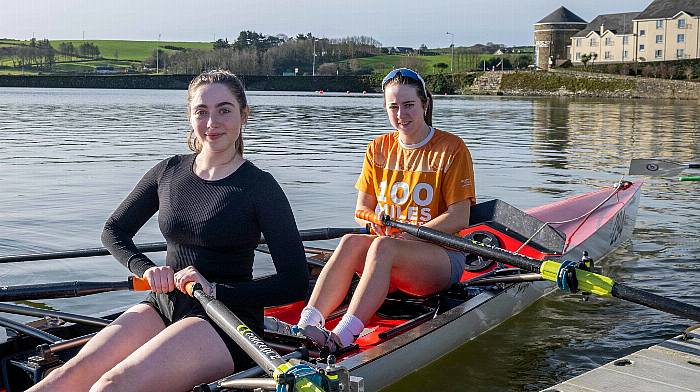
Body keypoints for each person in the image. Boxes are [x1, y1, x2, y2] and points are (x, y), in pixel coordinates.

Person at [28, 70, 308, 392]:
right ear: (190, 117)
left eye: (224, 110)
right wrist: (147, 270)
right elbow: (113, 230)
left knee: (111, 386)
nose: (212, 122)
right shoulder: (169, 171)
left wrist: (216, 289)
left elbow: (295, 280)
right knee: (61, 379)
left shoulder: (260, 187)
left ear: (244, 114)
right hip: (164, 302)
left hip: (224, 319)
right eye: (201, 111)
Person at [270, 68, 476, 352]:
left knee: (382, 248)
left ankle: (343, 336)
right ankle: (306, 324)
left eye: (409, 105)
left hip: (441, 256)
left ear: (425, 104)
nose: (401, 114)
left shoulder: (452, 148)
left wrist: (410, 237)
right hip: (391, 252)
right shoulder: (377, 148)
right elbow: (362, 209)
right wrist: (375, 218)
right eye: (393, 107)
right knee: (350, 242)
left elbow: (459, 217)